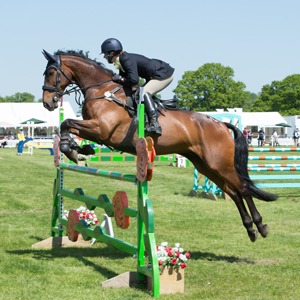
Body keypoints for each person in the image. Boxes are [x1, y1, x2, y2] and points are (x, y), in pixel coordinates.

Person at [100, 38, 175, 136]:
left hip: (163, 74)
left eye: (105, 54)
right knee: (137, 95)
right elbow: (127, 82)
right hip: (153, 76)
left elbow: (134, 80)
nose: (104, 57)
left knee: (144, 94)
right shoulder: (121, 61)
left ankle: (154, 124)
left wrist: (120, 79)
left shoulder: (126, 59)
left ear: (112, 52)